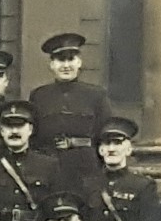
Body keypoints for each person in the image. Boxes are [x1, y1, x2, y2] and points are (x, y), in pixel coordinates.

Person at [28, 32, 112, 201]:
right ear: (52, 64)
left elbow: (105, 134)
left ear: (79, 62)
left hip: (85, 169)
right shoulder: (39, 96)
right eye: (60, 60)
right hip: (49, 169)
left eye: (70, 59)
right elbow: (33, 138)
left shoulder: (95, 95)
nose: (66, 65)